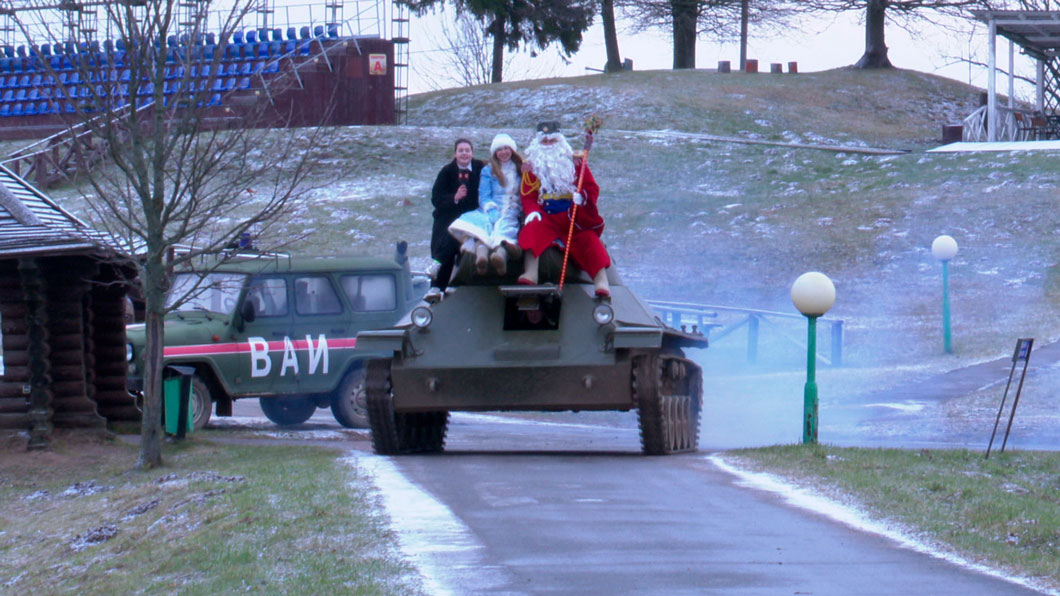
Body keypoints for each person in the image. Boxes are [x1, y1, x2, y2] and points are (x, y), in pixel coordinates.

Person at [517, 121, 611, 297]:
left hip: (571, 216)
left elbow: (591, 188)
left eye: (551, 141)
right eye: (544, 142)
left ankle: (601, 281)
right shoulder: (532, 165)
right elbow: (527, 194)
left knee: (588, 240)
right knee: (532, 231)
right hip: (547, 215)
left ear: (559, 142)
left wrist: (582, 197)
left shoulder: (575, 162)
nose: (548, 146)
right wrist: (532, 212)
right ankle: (531, 273)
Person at [448, 133, 524, 276]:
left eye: (506, 148)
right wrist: (490, 209)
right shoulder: (488, 170)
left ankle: (500, 257)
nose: (503, 152)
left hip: (512, 209)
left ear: (512, 150)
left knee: (506, 229)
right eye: (499, 149)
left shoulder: (520, 169)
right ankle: (481, 256)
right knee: (484, 227)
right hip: (492, 208)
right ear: (495, 152)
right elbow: (483, 195)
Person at [429, 138, 484, 296]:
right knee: (449, 236)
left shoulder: (480, 168)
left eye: (467, 150)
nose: (464, 154)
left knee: (463, 239)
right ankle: (437, 285)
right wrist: (455, 197)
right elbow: (436, 198)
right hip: (448, 214)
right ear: (455, 154)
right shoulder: (447, 171)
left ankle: (451, 279)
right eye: (461, 150)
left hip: (472, 214)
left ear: (472, 153)